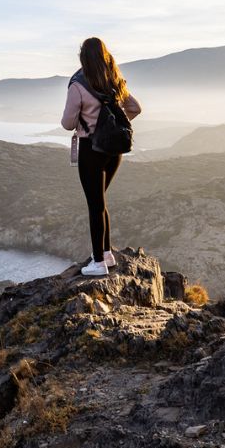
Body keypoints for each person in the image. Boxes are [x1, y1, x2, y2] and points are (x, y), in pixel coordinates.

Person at [60, 37, 142, 276]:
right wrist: (111, 127)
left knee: (95, 206)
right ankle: (106, 253)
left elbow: (67, 123)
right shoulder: (114, 80)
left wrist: (90, 123)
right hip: (114, 150)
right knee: (100, 203)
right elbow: (135, 108)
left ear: (82, 58)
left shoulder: (78, 85)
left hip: (91, 149)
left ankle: (98, 263)